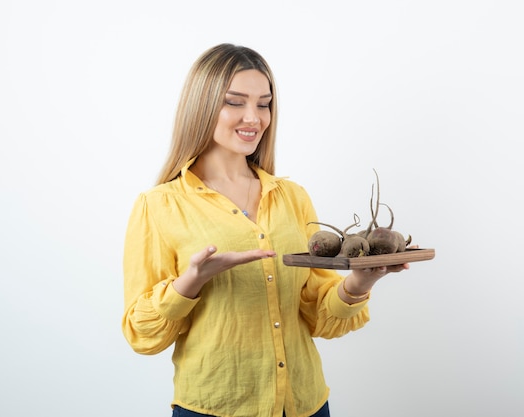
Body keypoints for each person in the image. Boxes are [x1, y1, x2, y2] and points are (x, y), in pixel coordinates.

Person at [122, 43, 410, 417]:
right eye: (235, 102)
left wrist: (360, 283)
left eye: (264, 103)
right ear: (202, 105)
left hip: (305, 405)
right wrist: (189, 282)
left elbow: (317, 315)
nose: (253, 117)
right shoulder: (159, 205)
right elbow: (142, 336)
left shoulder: (292, 197)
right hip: (214, 408)